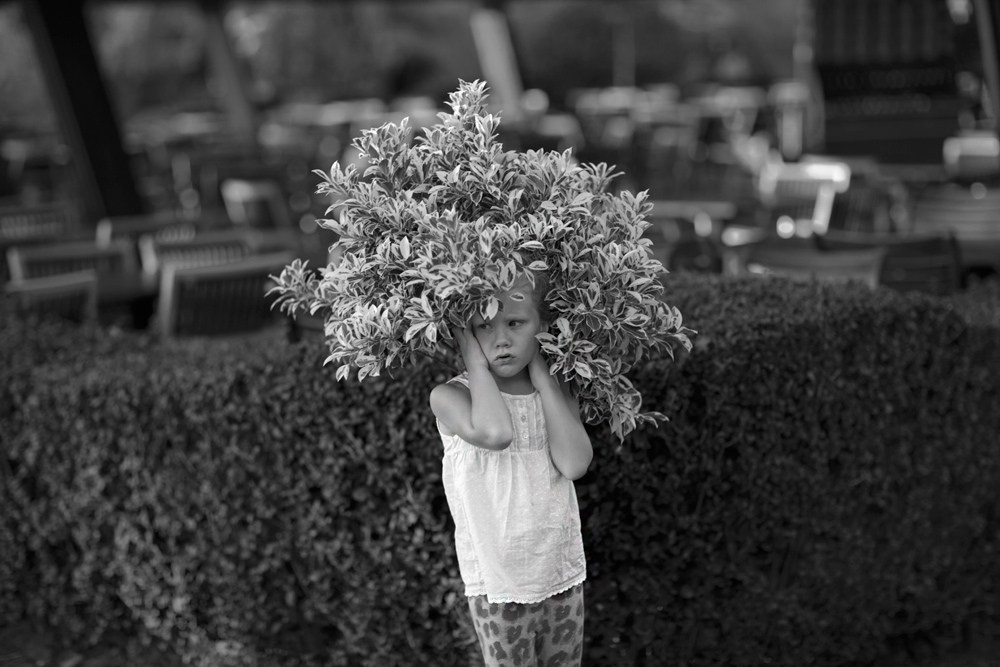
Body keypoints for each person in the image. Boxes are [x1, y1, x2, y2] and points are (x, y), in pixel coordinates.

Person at [429, 273, 593, 667]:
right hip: (498, 584)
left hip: (560, 572)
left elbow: (574, 464)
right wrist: (474, 362)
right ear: (465, 334)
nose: (501, 339)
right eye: (483, 326)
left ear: (543, 325)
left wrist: (545, 381)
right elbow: (497, 433)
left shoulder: (557, 390)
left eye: (515, 323)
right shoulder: (451, 396)